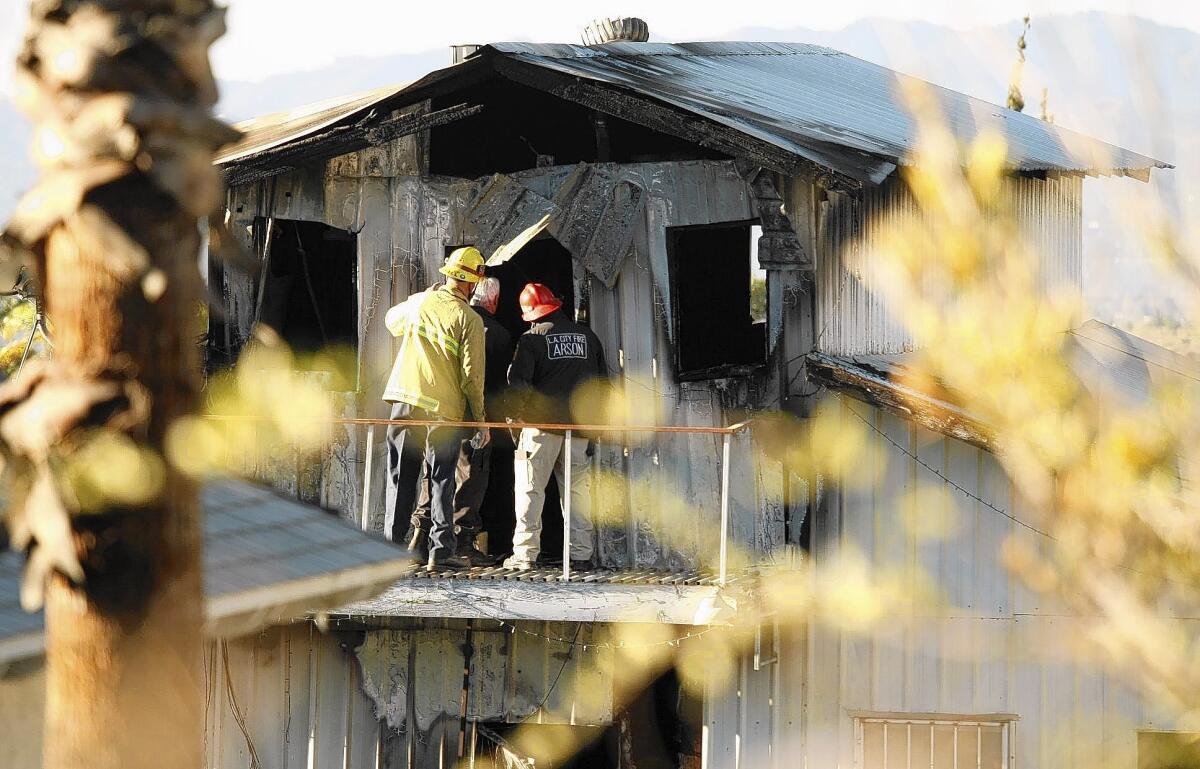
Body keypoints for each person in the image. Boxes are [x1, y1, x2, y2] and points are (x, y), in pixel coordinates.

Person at [383, 246, 489, 569]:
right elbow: (472, 378)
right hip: (443, 410)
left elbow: (390, 322)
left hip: (404, 401)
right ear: (471, 283)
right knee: (442, 478)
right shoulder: (469, 319)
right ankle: (440, 552)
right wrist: (480, 421)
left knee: (401, 476)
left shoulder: (420, 301)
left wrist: (420, 299)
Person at [502, 282, 608, 571]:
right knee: (577, 493)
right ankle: (581, 555)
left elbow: (518, 387)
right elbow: (602, 384)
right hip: (579, 430)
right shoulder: (588, 337)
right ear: (557, 304)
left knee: (530, 490)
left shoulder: (532, 339)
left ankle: (524, 556)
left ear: (531, 313)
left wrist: (515, 420)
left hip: (541, 428)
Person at [411, 277, 513, 565]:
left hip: (441, 412)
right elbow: (492, 383)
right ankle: (462, 542)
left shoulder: (450, 321)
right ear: (493, 301)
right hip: (473, 416)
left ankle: (419, 541)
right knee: (470, 476)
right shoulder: (500, 335)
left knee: (434, 473)